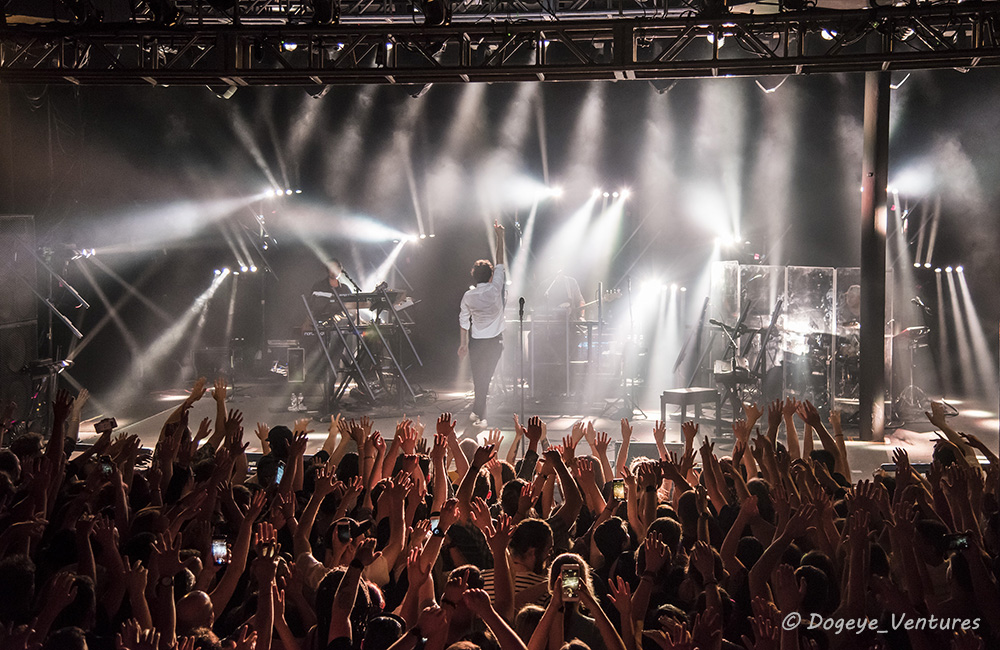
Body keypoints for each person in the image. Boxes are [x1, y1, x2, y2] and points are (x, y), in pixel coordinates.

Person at [458, 221, 507, 428]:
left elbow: (463, 321)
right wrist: (500, 237)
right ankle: (481, 415)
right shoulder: (495, 288)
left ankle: (478, 412)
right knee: (484, 379)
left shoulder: (469, 296)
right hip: (494, 342)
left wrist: (464, 344)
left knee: (481, 379)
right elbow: (500, 262)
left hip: (477, 343)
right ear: (490, 276)